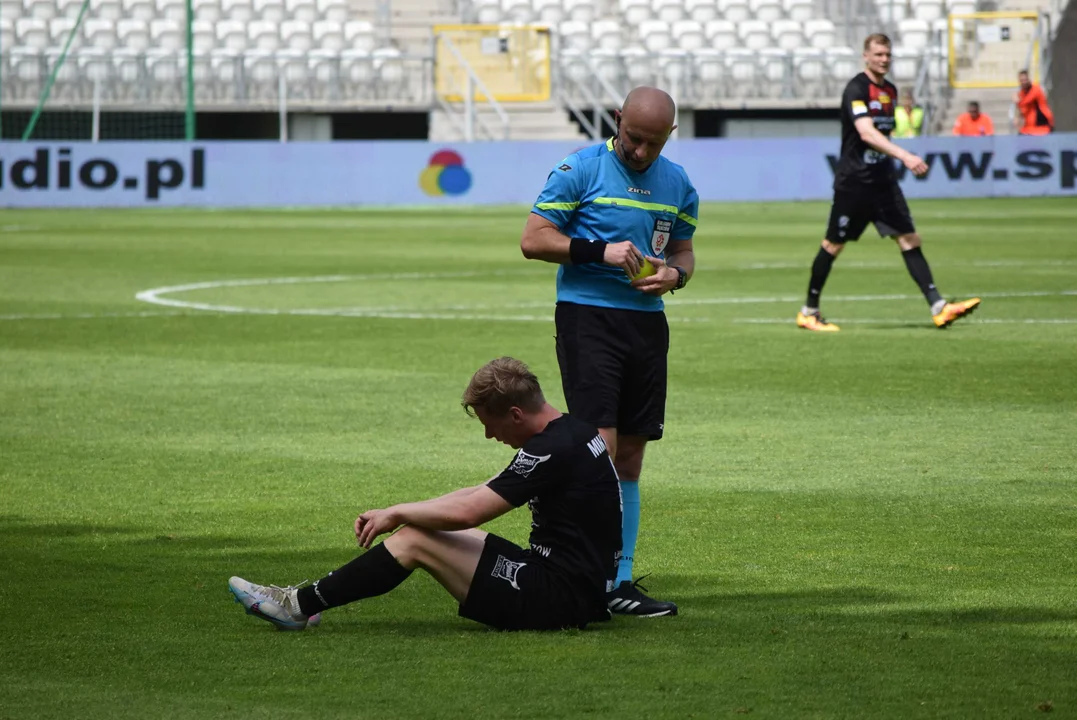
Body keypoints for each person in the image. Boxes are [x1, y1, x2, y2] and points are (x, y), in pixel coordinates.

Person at [228, 357, 623, 632]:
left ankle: (297, 606)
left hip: (560, 599)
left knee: (416, 539)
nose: (491, 436)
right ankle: (309, 601)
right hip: (577, 587)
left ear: (516, 414)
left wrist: (399, 514)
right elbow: (480, 491)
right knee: (427, 531)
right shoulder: (572, 430)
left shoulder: (549, 449)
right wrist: (400, 510)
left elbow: (469, 512)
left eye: (491, 425)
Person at [519, 86, 698, 617]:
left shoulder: (679, 183)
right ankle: (587, 572)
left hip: (646, 325)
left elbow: (684, 250)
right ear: (617, 120)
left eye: (652, 144)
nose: (640, 152)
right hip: (587, 318)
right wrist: (600, 250)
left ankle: (618, 582)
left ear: (670, 136)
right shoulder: (580, 168)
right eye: (632, 138)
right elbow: (533, 238)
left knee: (631, 457)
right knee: (601, 448)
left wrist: (674, 276)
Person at [796, 33, 981, 332]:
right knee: (833, 245)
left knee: (909, 238)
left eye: (887, 55)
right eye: (878, 54)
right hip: (854, 183)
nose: (884, 59)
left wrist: (895, 158)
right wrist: (905, 156)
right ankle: (809, 311)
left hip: (883, 183)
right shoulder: (856, 89)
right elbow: (867, 133)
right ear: (866, 56)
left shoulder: (891, 90)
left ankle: (939, 307)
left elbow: (883, 134)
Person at [1014, 69, 1053, 136]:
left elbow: (1026, 101)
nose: (1024, 82)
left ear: (1029, 79)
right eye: (1021, 80)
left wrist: (1018, 101)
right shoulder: (1021, 94)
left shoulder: (1036, 89)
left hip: (1043, 127)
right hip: (1029, 129)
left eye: (1025, 80)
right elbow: (1022, 110)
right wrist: (1018, 117)